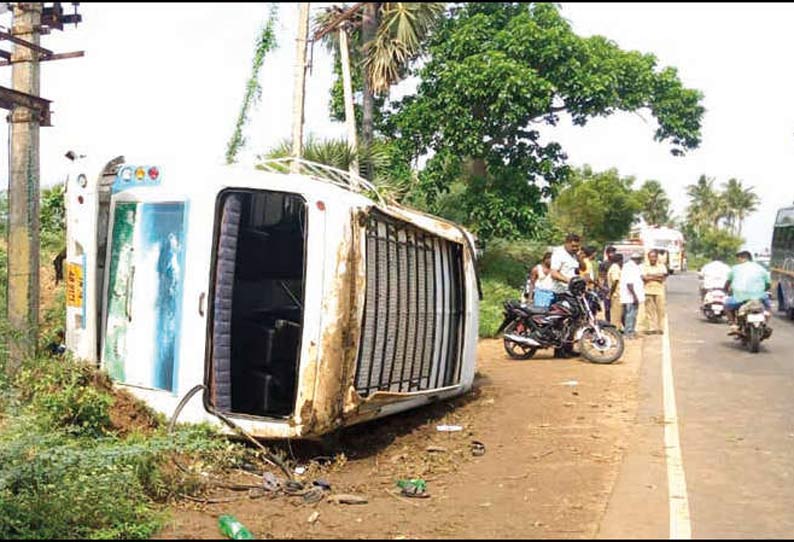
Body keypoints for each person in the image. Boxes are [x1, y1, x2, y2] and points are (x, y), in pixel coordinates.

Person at [549, 233, 587, 357]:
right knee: (562, 320)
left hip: (573, 292)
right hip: (561, 292)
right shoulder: (559, 254)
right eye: (573, 246)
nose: (575, 248)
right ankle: (559, 350)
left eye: (577, 246)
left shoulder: (574, 255)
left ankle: (568, 347)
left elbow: (583, 267)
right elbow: (554, 273)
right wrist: (568, 281)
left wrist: (579, 257)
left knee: (577, 318)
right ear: (567, 243)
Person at [724, 250, 772, 332]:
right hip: (759, 297)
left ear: (743, 258)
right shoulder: (761, 268)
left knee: (727, 306)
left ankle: (733, 324)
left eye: (739, 258)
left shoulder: (735, 268)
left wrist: (725, 290)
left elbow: (728, 282)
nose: (738, 260)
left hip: (740, 296)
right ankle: (765, 324)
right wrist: (762, 291)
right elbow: (768, 284)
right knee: (768, 308)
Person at [619, 252, 646, 339]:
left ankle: (630, 331)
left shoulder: (634, 267)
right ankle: (629, 332)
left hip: (631, 295)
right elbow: (629, 284)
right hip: (630, 296)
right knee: (631, 315)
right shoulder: (629, 267)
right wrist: (635, 296)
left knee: (631, 314)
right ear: (636, 259)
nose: (640, 261)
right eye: (640, 260)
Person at [641, 249, 668, 334]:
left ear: (657, 257)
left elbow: (663, 277)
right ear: (648, 257)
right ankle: (651, 328)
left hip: (659, 291)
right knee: (649, 311)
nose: (653, 259)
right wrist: (657, 276)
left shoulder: (661, 266)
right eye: (651, 257)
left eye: (654, 257)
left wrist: (650, 276)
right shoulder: (644, 266)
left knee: (661, 310)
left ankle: (660, 328)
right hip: (648, 291)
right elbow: (644, 278)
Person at [599, 246, 617, 321]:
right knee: (607, 307)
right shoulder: (604, 264)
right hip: (606, 285)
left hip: (616, 285)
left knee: (616, 307)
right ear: (607, 253)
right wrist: (601, 286)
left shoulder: (617, 263)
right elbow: (601, 276)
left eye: (613, 252)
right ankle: (608, 322)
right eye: (610, 252)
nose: (612, 254)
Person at [607, 253, 624, 330]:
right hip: (616, 294)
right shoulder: (615, 268)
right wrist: (610, 293)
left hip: (617, 294)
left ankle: (618, 328)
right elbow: (615, 281)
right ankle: (616, 329)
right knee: (616, 314)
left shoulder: (614, 267)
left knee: (618, 313)